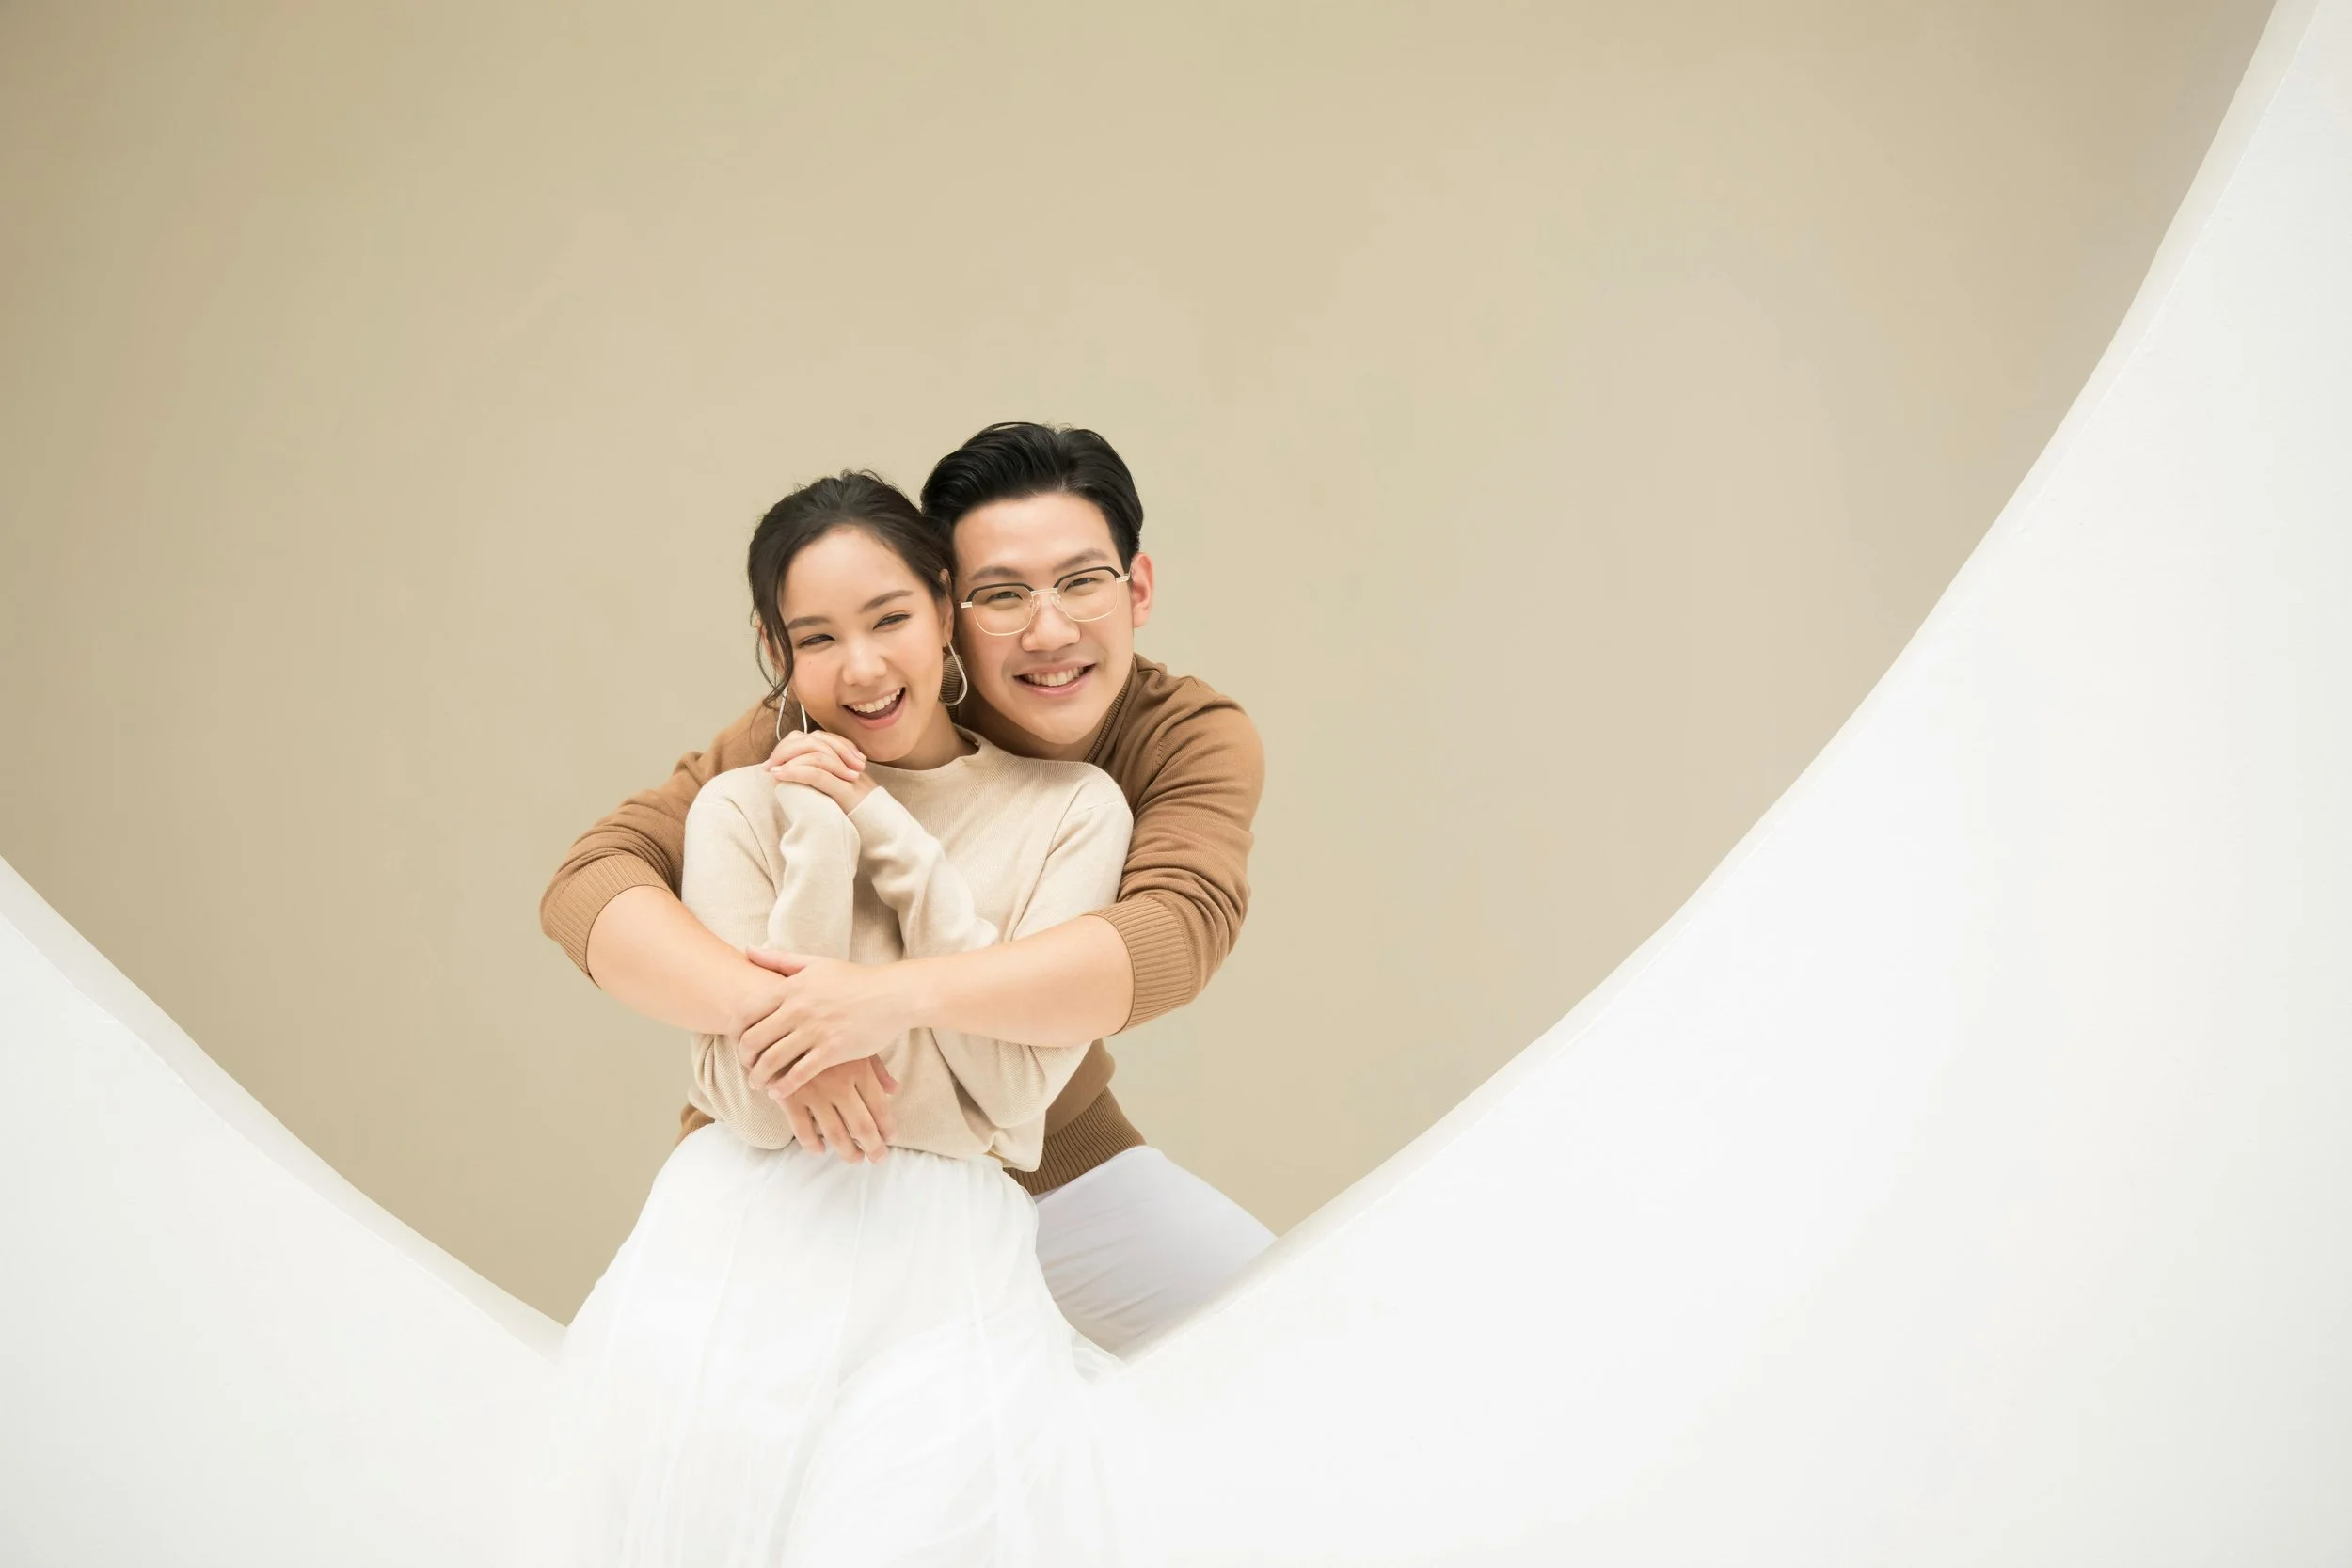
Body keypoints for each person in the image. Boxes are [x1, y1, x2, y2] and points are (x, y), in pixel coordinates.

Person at [521, 473, 1151, 1563]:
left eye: (891, 618)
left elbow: (1007, 1111)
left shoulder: (1071, 809)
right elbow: (757, 1110)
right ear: (777, 649)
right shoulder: (737, 806)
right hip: (727, 1255)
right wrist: (815, 827)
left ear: (944, 610)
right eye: (816, 637)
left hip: (944, 1265)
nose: (859, 666)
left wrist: (885, 833)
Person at [542, 422, 1272, 1351]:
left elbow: (1165, 941)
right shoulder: (844, 702)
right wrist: (790, 1020)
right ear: (950, 607)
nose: (1048, 630)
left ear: (1138, 588)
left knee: (1281, 1338)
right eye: (1001, 594)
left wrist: (878, 1002)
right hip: (791, 1144)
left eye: (1081, 581)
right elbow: (592, 881)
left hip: (1039, 1156)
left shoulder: (1181, 736)